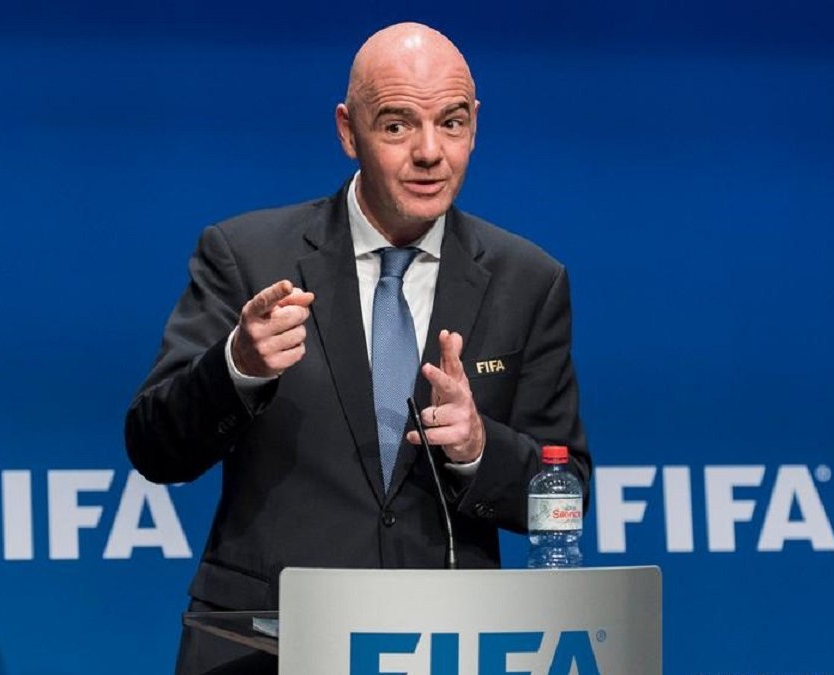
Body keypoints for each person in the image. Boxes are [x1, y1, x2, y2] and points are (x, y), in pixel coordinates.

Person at [125, 22, 591, 675]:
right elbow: (154, 448)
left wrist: (479, 448)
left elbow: (564, 493)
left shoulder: (529, 281)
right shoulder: (248, 256)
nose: (430, 152)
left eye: (452, 123)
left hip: (446, 647)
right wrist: (237, 368)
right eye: (398, 125)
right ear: (348, 131)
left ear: (475, 125)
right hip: (266, 648)